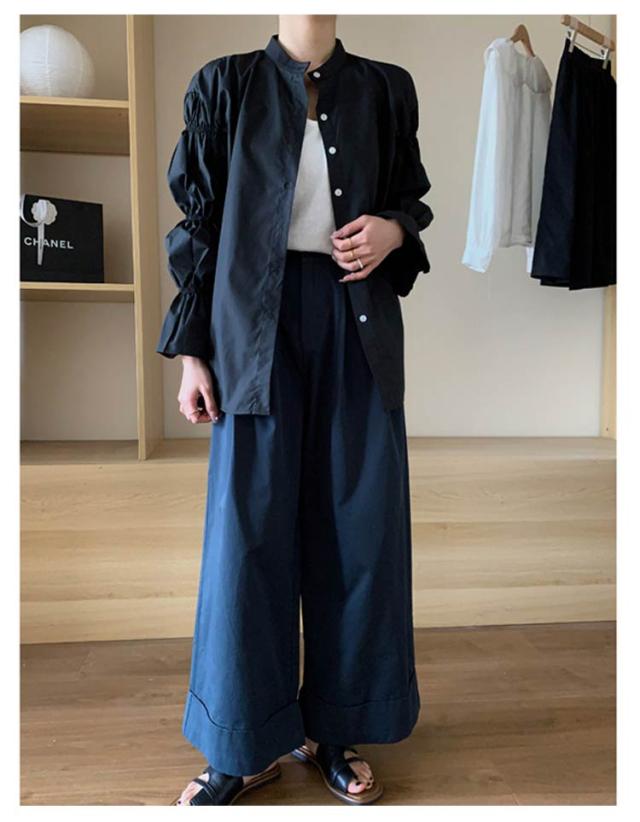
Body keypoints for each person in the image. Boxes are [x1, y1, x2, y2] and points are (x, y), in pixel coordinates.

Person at [157, 14, 433, 806]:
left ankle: (335, 730)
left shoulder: (386, 89)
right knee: (250, 535)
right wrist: (194, 353)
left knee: (359, 531)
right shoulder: (225, 85)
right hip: (253, 325)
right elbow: (200, 227)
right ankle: (242, 745)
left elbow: (409, 199)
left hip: (356, 320)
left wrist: (393, 230)